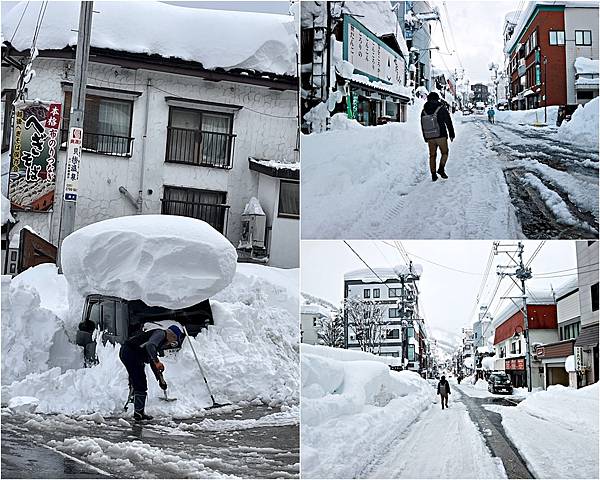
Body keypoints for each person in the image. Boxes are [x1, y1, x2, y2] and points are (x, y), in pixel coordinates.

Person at [119, 322, 185, 421]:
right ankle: (138, 413)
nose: (171, 343)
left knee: (137, 380)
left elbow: (151, 358)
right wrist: (157, 362)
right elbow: (150, 346)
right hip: (131, 353)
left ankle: (136, 407)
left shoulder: (159, 340)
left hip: (131, 353)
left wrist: (160, 379)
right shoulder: (161, 334)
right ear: (172, 334)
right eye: (174, 339)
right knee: (140, 382)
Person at [421, 92, 455, 182]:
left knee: (432, 155)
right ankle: (441, 169)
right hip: (441, 136)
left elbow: (422, 125)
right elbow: (448, 121)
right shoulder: (441, 108)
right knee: (445, 153)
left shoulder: (424, 110)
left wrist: (425, 137)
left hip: (430, 137)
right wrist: (452, 134)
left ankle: (433, 174)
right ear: (437, 99)